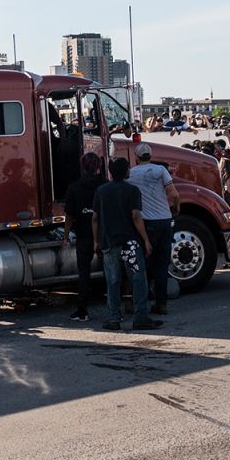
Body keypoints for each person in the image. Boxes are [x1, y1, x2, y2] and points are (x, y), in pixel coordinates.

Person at [93, 158, 162, 331]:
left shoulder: (101, 191)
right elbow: (136, 216)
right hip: (129, 244)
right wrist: (145, 239)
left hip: (109, 242)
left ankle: (114, 318)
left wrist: (96, 241)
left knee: (113, 281)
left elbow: (94, 218)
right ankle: (140, 317)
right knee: (138, 280)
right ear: (126, 172)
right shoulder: (132, 190)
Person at [126, 142, 179, 315]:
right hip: (165, 220)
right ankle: (161, 303)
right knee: (162, 265)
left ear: (136, 156)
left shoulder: (131, 174)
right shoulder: (160, 170)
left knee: (144, 264)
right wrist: (176, 208)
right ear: (150, 155)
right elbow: (174, 193)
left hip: (146, 223)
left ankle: (139, 300)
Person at [63, 153, 106, 321]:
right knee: (111, 272)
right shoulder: (105, 186)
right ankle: (115, 309)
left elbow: (69, 216)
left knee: (84, 273)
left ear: (82, 167)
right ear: (98, 167)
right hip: (104, 235)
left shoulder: (74, 187)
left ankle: (82, 311)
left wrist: (65, 236)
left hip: (83, 236)